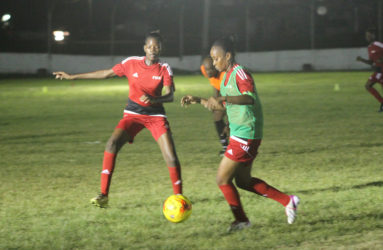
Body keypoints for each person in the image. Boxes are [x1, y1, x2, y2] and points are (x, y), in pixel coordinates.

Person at [181, 37, 300, 232]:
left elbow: (248, 98)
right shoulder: (225, 77)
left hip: (247, 134)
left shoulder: (240, 72)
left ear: (227, 56)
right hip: (240, 133)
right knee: (243, 181)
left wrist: (224, 98)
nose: (213, 62)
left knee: (222, 179)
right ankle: (288, 201)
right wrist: (198, 100)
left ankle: (242, 221)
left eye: (216, 58)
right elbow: (221, 104)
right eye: (211, 58)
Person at [53, 31, 182, 208]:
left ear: (161, 48)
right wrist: (72, 76)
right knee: (111, 143)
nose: (153, 49)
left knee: (171, 158)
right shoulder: (131, 63)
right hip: (132, 114)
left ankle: (180, 199)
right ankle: (103, 195)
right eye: (150, 46)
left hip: (155, 116)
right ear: (144, 48)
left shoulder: (164, 68)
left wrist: (154, 100)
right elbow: (105, 73)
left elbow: (170, 95)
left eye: (157, 46)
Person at [200, 56, 228, 156]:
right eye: (206, 69)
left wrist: (229, 122)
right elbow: (214, 83)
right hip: (222, 94)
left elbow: (231, 98)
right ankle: (226, 147)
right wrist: (215, 100)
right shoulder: (205, 69)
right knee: (216, 117)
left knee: (225, 119)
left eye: (211, 69)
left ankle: (231, 147)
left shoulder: (224, 75)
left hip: (229, 96)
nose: (208, 72)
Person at [356, 28, 383, 112]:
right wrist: (361, 60)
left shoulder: (378, 44)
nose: (368, 37)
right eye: (366, 36)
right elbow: (371, 62)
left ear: (373, 35)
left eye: (369, 35)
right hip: (377, 71)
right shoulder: (369, 47)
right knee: (368, 86)